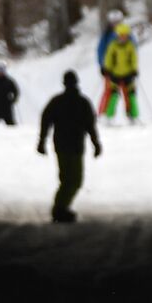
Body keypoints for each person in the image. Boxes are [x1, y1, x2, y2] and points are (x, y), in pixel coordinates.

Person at [37, 70, 102, 223]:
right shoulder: (83, 102)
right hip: (76, 146)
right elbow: (90, 126)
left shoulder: (57, 101)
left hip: (61, 145)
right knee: (76, 180)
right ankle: (59, 208)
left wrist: (42, 141)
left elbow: (45, 121)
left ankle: (61, 207)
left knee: (66, 179)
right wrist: (95, 143)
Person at [99, 22, 140, 123]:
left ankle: (133, 116)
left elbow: (134, 58)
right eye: (121, 35)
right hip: (115, 74)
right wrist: (106, 69)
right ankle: (109, 116)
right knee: (114, 95)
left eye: (125, 35)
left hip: (128, 74)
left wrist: (134, 69)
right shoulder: (113, 45)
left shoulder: (130, 46)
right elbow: (108, 58)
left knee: (131, 95)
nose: (123, 37)